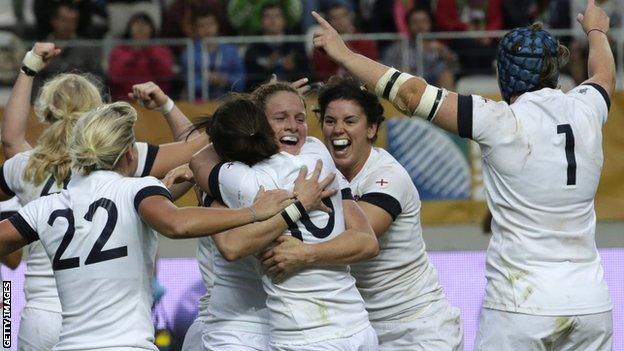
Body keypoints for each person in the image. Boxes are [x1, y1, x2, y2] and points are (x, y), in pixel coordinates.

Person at [310, 0, 615, 348]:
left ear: (503, 73)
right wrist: (596, 31)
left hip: (521, 306)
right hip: (592, 305)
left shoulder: (499, 121)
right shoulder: (587, 107)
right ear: (551, 71)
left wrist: (344, 54)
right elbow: (603, 73)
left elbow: (410, 94)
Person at [0, 101, 298, 350]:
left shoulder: (47, 206)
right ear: (129, 154)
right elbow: (176, 224)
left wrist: (161, 191)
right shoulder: (136, 190)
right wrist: (253, 212)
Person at [0, 43, 208, 351]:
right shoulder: (120, 156)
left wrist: (29, 66)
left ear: (45, 112)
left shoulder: (26, 165)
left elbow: (10, 139)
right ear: (100, 112)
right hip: (108, 324)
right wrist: (165, 105)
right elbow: (198, 148)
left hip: (41, 313)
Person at [263, 77, 463, 350]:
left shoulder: (388, 176)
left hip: (417, 326)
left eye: (350, 121)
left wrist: (303, 253)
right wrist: (268, 105)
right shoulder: (316, 166)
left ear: (371, 128)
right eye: (330, 121)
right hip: (362, 325)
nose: (338, 130)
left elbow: (360, 238)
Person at [188, 95, 378, 350]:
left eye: (300, 118)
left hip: (303, 336)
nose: (292, 126)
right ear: (260, 125)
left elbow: (199, 161)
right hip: (358, 327)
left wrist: (205, 194)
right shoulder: (318, 154)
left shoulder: (243, 181)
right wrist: (299, 207)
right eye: (280, 118)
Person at [383, 7, 457, 90]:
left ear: (430, 24)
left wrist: (443, 52)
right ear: (408, 25)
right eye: (415, 22)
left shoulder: (438, 46)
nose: (420, 26)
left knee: (446, 74)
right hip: (409, 83)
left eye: (424, 21)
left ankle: (446, 102)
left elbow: (455, 67)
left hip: (433, 84)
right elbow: (386, 70)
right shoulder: (398, 47)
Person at [180, 9, 245, 100]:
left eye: (211, 24)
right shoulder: (188, 53)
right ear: (195, 29)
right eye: (202, 26)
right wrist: (208, 80)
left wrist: (224, 79)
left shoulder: (231, 50)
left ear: (217, 25)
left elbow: (241, 82)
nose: (207, 29)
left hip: (229, 102)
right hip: (199, 103)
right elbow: (189, 83)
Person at [108, 12, 174, 101]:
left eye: (145, 24)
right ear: (129, 28)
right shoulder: (118, 51)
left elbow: (166, 75)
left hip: (156, 101)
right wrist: (134, 53)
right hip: (125, 100)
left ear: (152, 29)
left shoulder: (161, 50)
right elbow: (114, 77)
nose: (141, 28)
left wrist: (149, 51)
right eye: (137, 24)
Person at [244, 4, 311, 90]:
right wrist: (266, 69)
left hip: (294, 91)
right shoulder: (254, 46)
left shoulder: (295, 43)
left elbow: (308, 76)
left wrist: (292, 69)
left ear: (284, 20)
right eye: (267, 16)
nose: (273, 20)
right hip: (263, 95)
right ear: (261, 21)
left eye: (277, 16)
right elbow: (248, 83)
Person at [312, 3, 378, 82]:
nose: (339, 21)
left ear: (350, 17)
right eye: (334, 18)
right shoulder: (322, 44)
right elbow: (321, 73)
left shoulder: (365, 42)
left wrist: (345, 50)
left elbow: (372, 69)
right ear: (329, 21)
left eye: (342, 16)